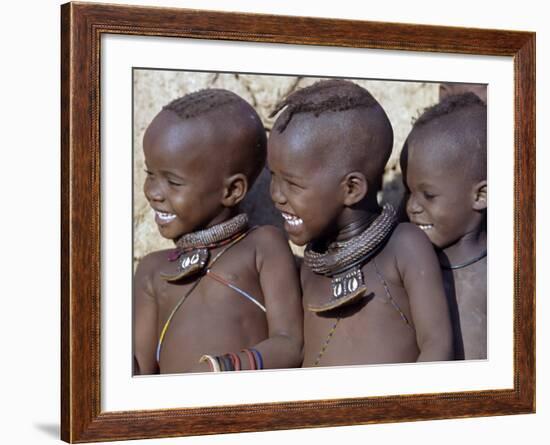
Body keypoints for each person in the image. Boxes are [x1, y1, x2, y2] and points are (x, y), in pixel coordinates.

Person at [267, 79, 453, 367]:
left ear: (352, 188)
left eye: (292, 183)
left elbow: (437, 346)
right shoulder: (313, 266)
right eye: (272, 177)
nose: (276, 195)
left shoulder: (404, 246)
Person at [134, 89, 303, 375]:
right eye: (150, 173)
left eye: (173, 182)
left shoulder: (262, 246)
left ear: (232, 190)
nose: (152, 192)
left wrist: (223, 369)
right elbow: (140, 368)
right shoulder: (152, 269)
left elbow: (290, 344)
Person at [401, 92, 487, 360]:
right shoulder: (407, 264)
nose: (412, 207)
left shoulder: (513, 274)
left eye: (428, 195)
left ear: (480, 196)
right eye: (408, 192)